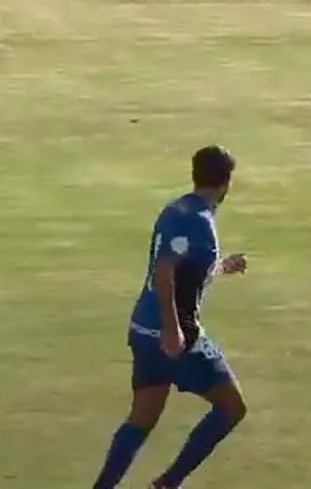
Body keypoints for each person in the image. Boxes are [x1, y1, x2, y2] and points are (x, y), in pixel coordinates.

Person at [89, 145, 249, 489]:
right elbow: (165, 272)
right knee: (232, 407)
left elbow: (183, 269)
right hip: (174, 337)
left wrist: (222, 267)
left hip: (143, 330)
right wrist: (174, 331)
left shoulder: (176, 209)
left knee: (143, 418)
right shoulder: (201, 222)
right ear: (226, 183)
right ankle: (168, 483)